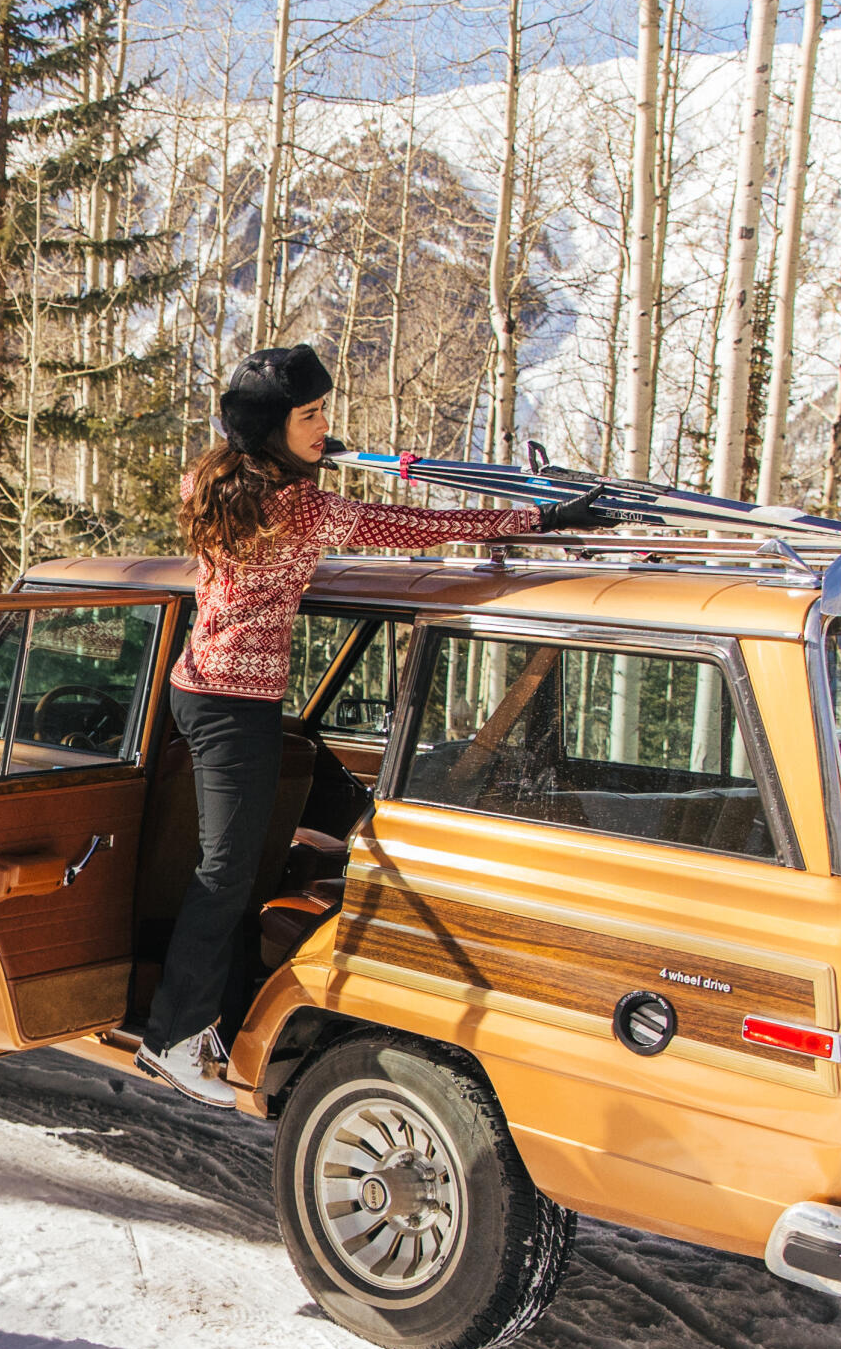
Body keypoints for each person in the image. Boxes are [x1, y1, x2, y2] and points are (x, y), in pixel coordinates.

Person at [133, 343, 622, 1107]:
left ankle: (218, 1016)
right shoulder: (297, 504)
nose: (325, 426)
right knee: (226, 872)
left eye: (325, 411)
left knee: (279, 849)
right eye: (310, 416)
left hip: (201, 689)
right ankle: (172, 1037)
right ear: (268, 430)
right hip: (236, 706)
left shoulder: (212, 479)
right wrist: (539, 518)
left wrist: (306, 458)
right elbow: (410, 525)